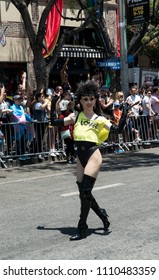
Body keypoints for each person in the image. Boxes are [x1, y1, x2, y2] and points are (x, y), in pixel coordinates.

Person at [51, 80, 128, 241]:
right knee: (83, 193)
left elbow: (118, 130)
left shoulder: (99, 119)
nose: (88, 102)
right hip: (80, 156)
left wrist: (124, 113)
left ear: (95, 100)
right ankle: (103, 216)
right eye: (85, 99)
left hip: (93, 154)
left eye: (91, 99)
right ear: (80, 100)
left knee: (85, 192)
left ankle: (82, 227)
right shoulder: (75, 116)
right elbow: (54, 122)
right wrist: (53, 103)